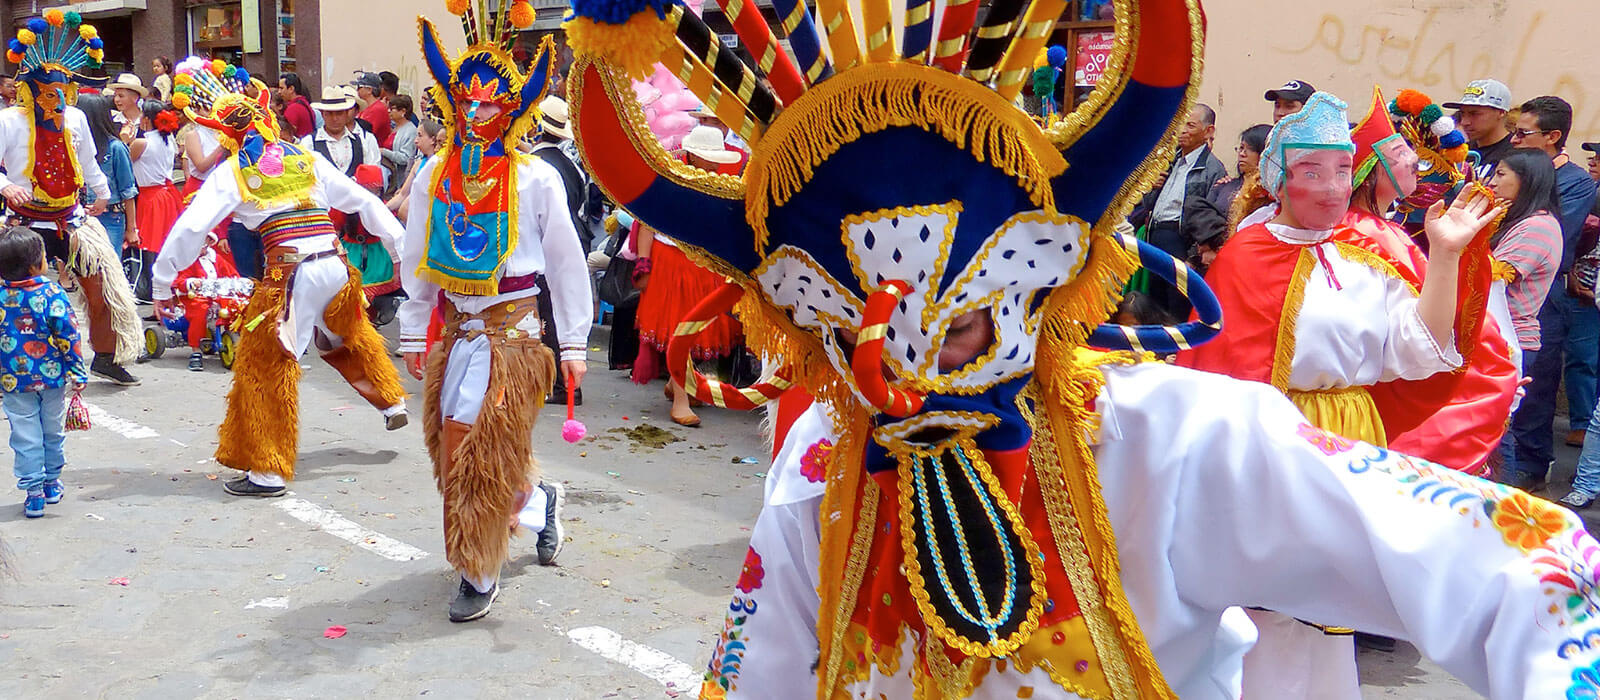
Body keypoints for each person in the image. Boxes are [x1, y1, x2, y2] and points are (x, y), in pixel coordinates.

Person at [566, 1, 1600, 697]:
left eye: (956, 325)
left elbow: (1525, 564)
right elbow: (758, 670)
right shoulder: (823, 465)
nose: (900, 378)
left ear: (1035, 287)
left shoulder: (1176, 438)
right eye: (852, 338)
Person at [1180, 92, 1504, 696]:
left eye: (1340, 171)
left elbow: (1422, 350)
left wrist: (1447, 258)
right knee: (1262, 599)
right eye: (1311, 172)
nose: (1331, 188)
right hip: (1265, 437)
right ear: (1279, 180)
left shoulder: (1369, 257)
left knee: (1324, 613)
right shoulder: (1245, 254)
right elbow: (1215, 364)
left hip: (1346, 438)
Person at [401, 17, 588, 622]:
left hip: (514, 337)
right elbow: (418, 251)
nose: (478, 111)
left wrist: (576, 343)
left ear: (515, 108)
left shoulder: (536, 177)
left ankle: (479, 570)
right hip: (459, 331)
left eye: (492, 101)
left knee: (473, 446)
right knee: (455, 450)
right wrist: (413, 321)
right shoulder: (435, 174)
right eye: (468, 100)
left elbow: (564, 261)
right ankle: (538, 503)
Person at [154, 74, 409, 499]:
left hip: (292, 273)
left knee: (265, 364)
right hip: (336, 264)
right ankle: (392, 401)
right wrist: (397, 248)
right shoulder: (303, 157)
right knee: (345, 334)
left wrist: (163, 283)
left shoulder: (237, 169)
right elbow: (362, 200)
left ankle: (268, 471)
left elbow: (192, 226)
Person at [0, 14, 143, 386]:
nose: (56, 99)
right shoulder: (9, 121)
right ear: (29, 90)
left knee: (105, 289)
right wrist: (5, 186)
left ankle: (106, 356)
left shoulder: (75, 118)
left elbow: (87, 162)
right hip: (23, 223)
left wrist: (102, 193)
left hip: (71, 218)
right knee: (10, 299)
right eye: (48, 91)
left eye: (62, 91)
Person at [1501, 95, 1600, 492]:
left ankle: (1530, 462)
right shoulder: (1515, 169)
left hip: (1543, 291)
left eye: (1523, 133)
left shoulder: (1575, 183)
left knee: (1536, 382)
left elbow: (1563, 230)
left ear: (1553, 137)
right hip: (1518, 289)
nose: (1515, 141)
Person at [632, 125, 744, 427]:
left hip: (704, 266)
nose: (712, 162)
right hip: (671, 265)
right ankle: (680, 398)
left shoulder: (722, 183)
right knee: (680, 329)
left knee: (694, 331)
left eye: (715, 157)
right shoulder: (669, 181)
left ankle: (676, 383)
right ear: (692, 155)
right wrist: (643, 263)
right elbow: (647, 223)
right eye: (707, 157)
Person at [0, 226, 86, 518]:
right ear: (36, 265)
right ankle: (51, 483)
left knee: (24, 435)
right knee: (52, 431)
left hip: (13, 380)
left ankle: (33, 493)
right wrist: (77, 371)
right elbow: (68, 334)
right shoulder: (51, 292)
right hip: (52, 379)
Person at [1128, 103, 1226, 318]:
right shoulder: (1169, 161)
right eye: (1181, 123)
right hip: (1155, 235)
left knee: (1176, 305)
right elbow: (1147, 205)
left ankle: (1175, 351)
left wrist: (1193, 256)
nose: (1182, 130)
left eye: (1190, 125)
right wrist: (1151, 185)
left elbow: (1207, 219)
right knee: (1153, 302)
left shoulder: (1212, 168)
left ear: (1208, 131)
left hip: (1180, 240)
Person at [166, 233, 251, 371]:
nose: (202, 248)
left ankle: (242, 341)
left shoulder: (216, 258)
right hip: (194, 297)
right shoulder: (187, 261)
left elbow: (231, 273)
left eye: (205, 244)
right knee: (199, 311)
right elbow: (180, 281)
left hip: (217, 296)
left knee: (237, 308)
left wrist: (238, 282)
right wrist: (192, 282)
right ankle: (195, 351)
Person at [127, 100, 183, 305]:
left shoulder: (142, 143)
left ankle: (150, 290)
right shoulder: (169, 141)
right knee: (163, 244)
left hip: (150, 197)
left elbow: (126, 162)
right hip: (167, 195)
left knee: (149, 244)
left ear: (147, 120)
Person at [77, 94, 139, 254]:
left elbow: (128, 191)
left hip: (110, 217)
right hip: (78, 216)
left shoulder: (116, 148)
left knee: (107, 270)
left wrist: (131, 229)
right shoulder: (73, 147)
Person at [1443, 79, 1515, 182]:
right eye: (1462, 113)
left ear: (1501, 112)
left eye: (1474, 114)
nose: (1464, 122)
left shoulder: (1517, 153)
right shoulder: (1460, 152)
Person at [1207, 123, 1269, 215]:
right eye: (1241, 148)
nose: (1242, 154)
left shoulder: (1270, 193)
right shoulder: (1224, 186)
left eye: (1251, 149)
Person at [380, 94, 418, 177]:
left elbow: (406, 158)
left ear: (403, 111)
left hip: (400, 178)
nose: (388, 111)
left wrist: (384, 152)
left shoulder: (410, 131)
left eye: (392, 109)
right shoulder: (394, 127)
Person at [351, 72, 392, 149]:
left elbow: (365, 133)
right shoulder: (369, 107)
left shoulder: (377, 109)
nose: (357, 90)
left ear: (369, 90)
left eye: (360, 87)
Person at [276, 72, 315, 139]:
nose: (279, 92)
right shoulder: (305, 103)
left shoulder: (293, 109)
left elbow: (286, 133)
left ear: (291, 89)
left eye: (281, 88)